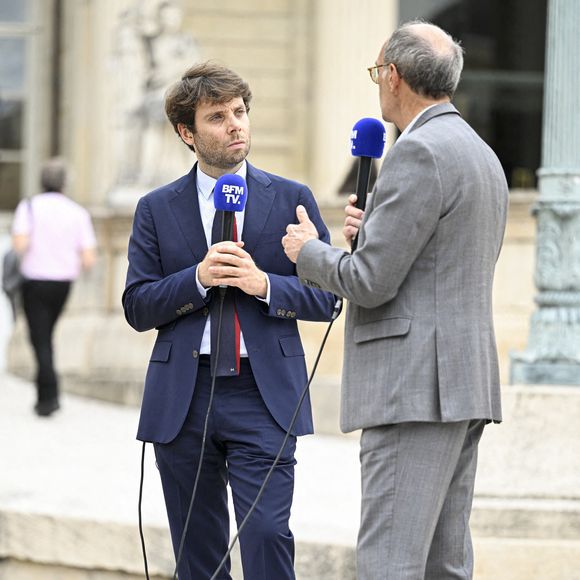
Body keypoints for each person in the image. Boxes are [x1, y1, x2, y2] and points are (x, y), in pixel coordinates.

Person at [282, 21, 508, 580]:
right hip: (461, 383)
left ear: (394, 77)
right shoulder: (481, 153)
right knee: (444, 566)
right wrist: (370, 232)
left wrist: (307, 252)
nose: (377, 83)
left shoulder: (417, 152)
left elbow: (369, 281)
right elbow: (433, 264)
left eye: (377, 72)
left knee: (390, 565)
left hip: (413, 391)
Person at [122, 62, 336, 580]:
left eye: (240, 112)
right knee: (198, 554)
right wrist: (196, 278)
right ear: (186, 133)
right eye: (217, 117)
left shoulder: (292, 198)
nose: (235, 125)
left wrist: (263, 284)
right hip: (183, 397)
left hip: (263, 395)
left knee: (266, 535)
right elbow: (137, 306)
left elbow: (329, 299)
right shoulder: (155, 208)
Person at [11, 157, 97, 417]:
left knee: (40, 339)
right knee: (45, 336)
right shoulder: (77, 212)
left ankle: (48, 398)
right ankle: (46, 395)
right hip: (62, 284)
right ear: (64, 184)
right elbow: (89, 259)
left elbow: (19, 245)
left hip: (34, 282)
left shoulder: (29, 207)